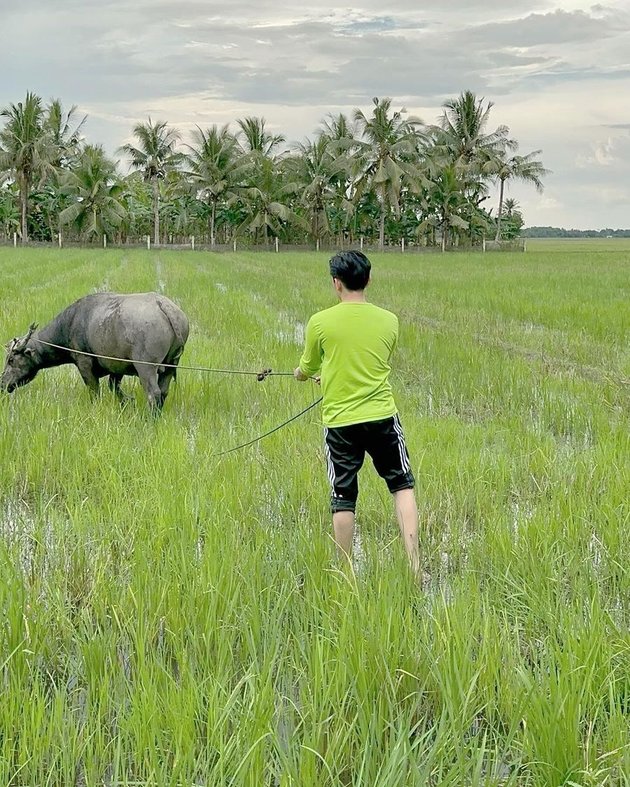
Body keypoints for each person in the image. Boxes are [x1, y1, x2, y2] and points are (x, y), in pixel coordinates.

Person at [294, 250, 419, 575]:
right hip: (382, 418)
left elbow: (308, 366)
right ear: (368, 279)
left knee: (343, 496)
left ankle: (345, 572)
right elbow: (372, 360)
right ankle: (414, 565)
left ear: (336, 283)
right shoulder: (389, 320)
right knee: (402, 486)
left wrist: (303, 374)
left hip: (340, 423)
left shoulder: (320, 322)